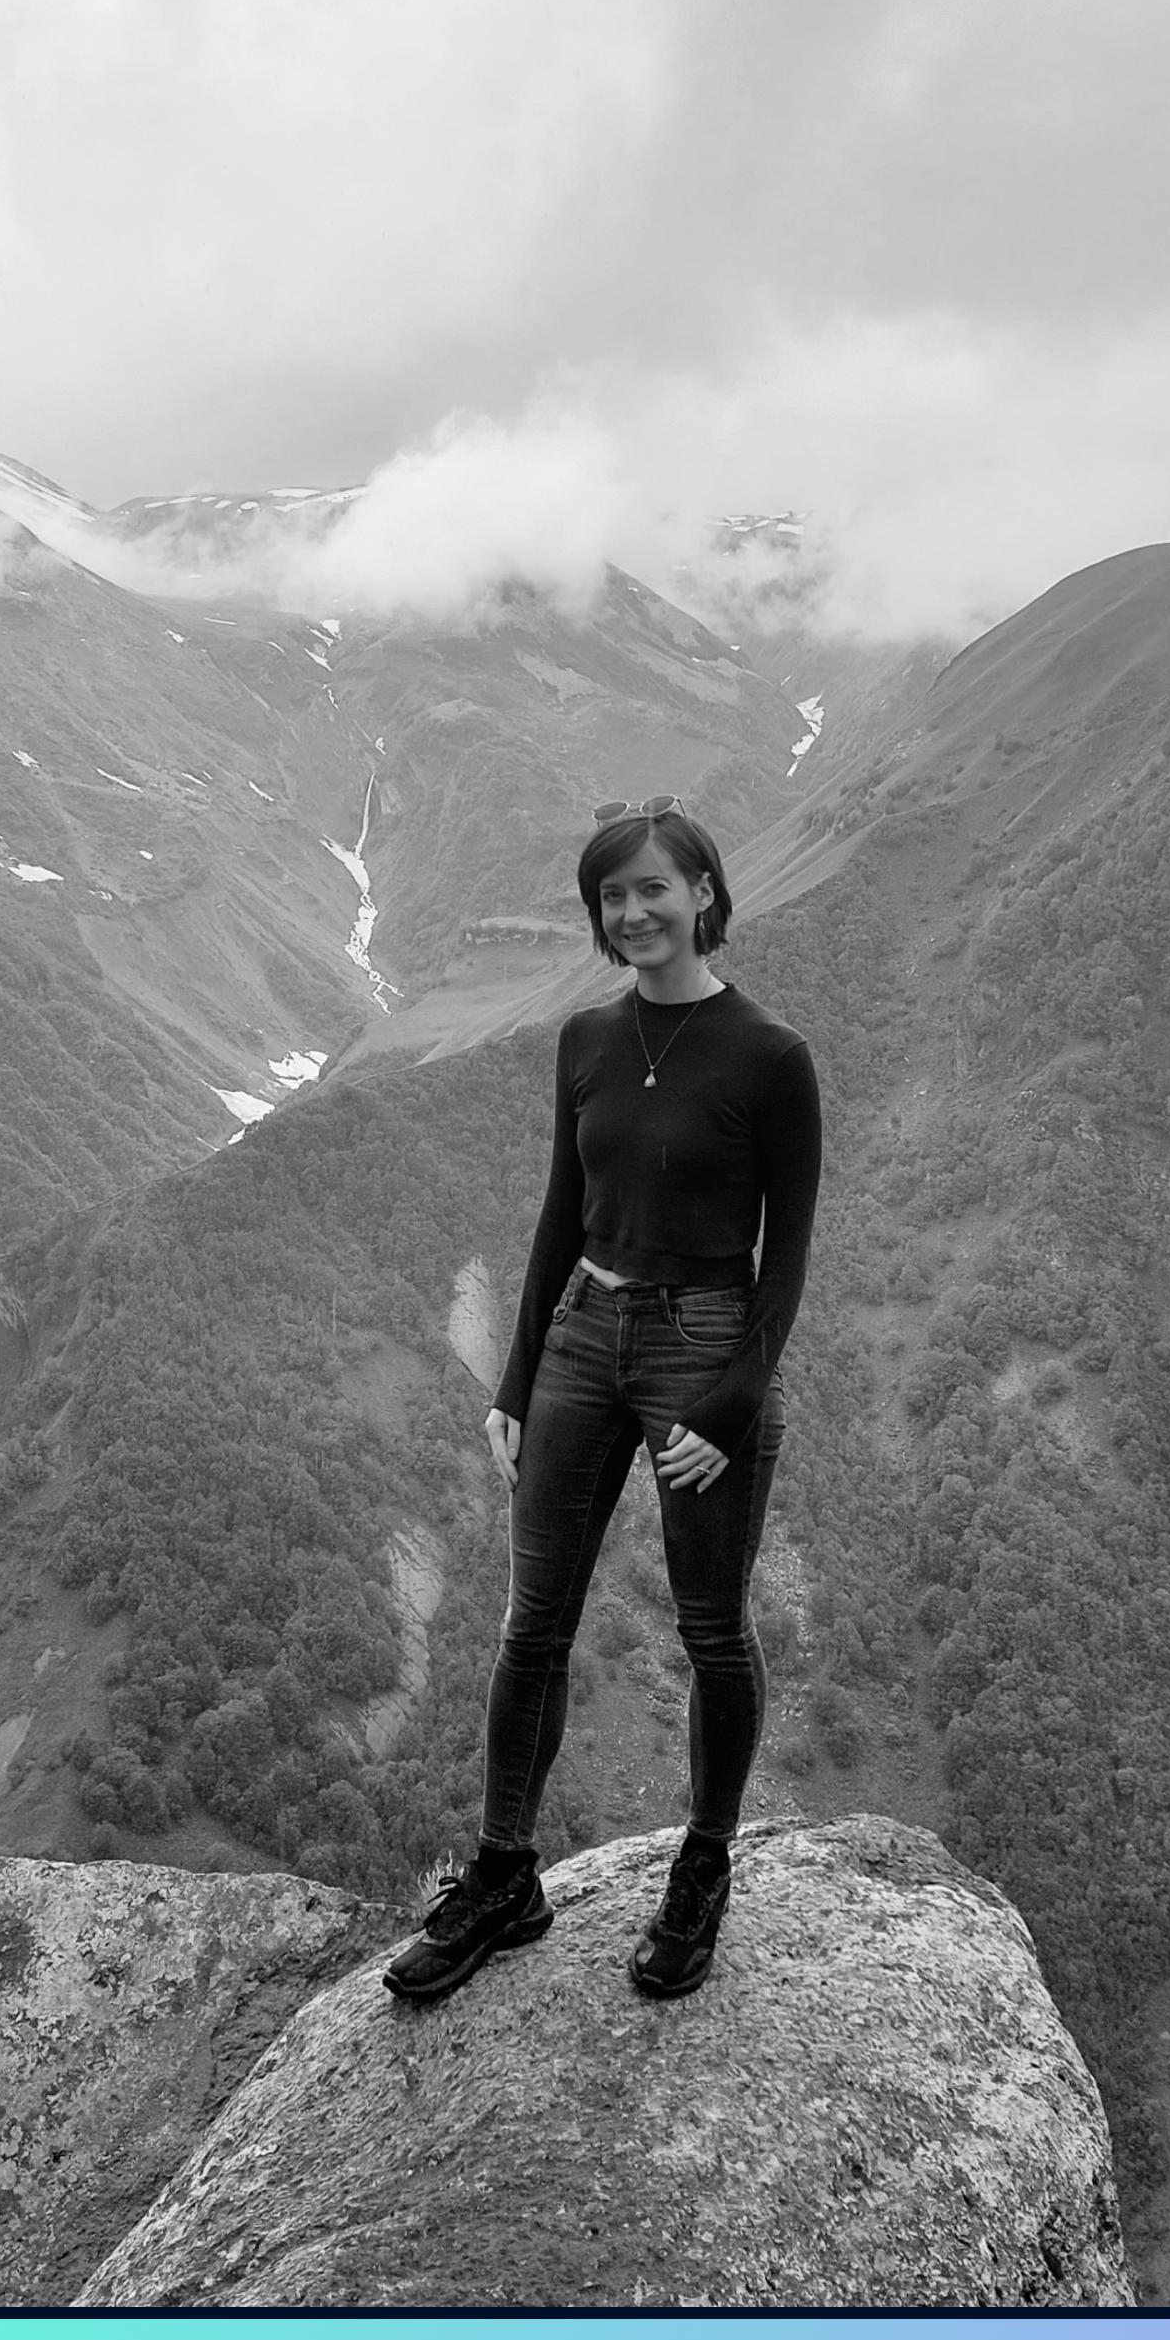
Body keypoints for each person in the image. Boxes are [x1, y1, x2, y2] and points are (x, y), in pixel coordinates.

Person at [383, 797, 823, 2006]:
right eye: (611, 897)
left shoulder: (771, 1056)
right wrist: (517, 1380)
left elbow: (785, 1260)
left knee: (712, 1629)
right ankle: (506, 1874)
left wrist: (733, 1405)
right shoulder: (583, 1038)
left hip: (706, 1340)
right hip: (583, 1332)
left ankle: (705, 1861)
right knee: (534, 1622)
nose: (632, 913)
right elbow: (557, 1218)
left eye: (652, 889)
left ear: (705, 894)